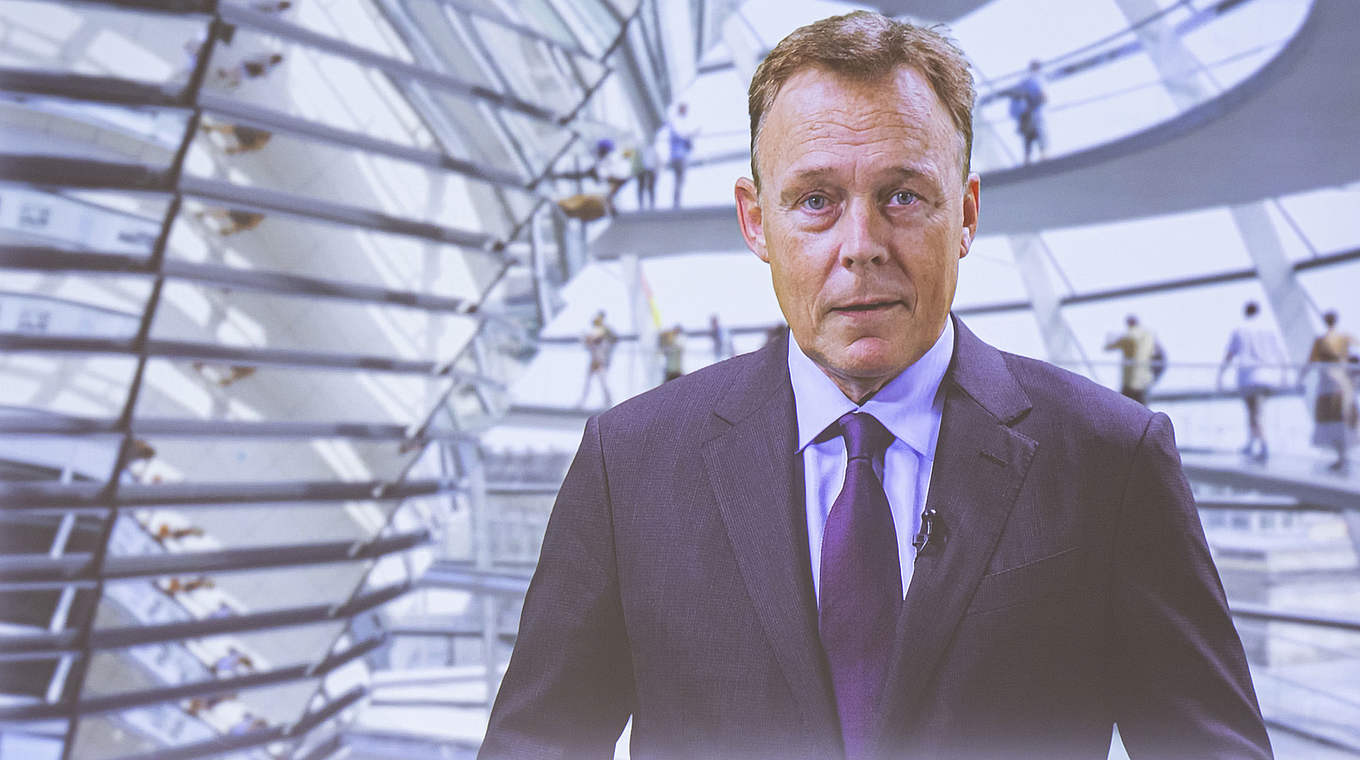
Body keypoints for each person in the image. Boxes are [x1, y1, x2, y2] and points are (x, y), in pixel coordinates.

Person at [481, 12, 1270, 760]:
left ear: (965, 215)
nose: (861, 246)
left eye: (902, 196)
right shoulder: (629, 464)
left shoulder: (1109, 460)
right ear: (756, 222)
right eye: (816, 201)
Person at [1218, 301, 1286, 462]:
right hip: (1268, 375)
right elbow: (1279, 353)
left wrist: (1221, 374)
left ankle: (1262, 444)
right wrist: (1284, 376)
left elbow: (1230, 354)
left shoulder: (1240, 330)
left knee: (1254, 412)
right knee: (1256, 411)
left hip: (1248, 376)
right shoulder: (1269, 329)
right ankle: (1252, 442)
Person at [1300, 310, 1357, 472]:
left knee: (1332, 421)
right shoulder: (1344, 338)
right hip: (1343, 384)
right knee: (1342, 420)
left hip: (1327, 385)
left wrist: (1299, 378)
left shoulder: (1321, 341)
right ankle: (1342, 457)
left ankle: (1341, 458)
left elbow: (1310, 362)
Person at [1103, 314, 1158, 405]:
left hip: (1131, 381)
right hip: (1142, 380)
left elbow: (1110, 346)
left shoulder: (1131, 336)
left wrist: (1110, 341)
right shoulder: (1147, 336)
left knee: (1126, 404)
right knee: (1140, 405)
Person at [1005, 59, 1047, 164]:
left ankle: (1029, 157)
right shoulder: (1032, 80)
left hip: (1027, 114)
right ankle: (1039, 154)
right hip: (1030, 114)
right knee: (1036, 133)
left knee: (1030, 135)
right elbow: (1038, 96)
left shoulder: (1029, 80)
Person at [576, 311, 617, 408]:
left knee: (603, 383)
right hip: (594, 362)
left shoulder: (605, 337)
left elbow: (608, 343)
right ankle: (582, 401)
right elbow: (588, 344)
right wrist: (586, 339)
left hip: (600, 363)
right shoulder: (594, 338)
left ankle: (608, 402)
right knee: (588, 383)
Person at [666, 102, 699, 208]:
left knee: (679, 179)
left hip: (679, 154)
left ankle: (677, 201)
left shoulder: (678, 122)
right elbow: (681, 136)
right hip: (678, 155)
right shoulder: (677, 122)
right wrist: (690, 136)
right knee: (679, 178)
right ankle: (676, 202)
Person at [631, 136, 659, 209]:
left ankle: (651, 204)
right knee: (641, 186)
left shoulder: (651, 148)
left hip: (650, 168)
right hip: (641, 169)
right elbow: (634, 160)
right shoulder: (639, 148)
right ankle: (641, 204)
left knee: (650, 186)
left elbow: (656, 159)